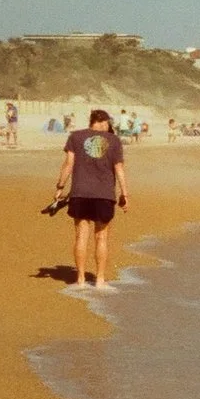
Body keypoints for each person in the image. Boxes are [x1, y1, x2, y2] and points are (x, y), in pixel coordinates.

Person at [54, 108, 129, 289]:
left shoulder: (76, 137)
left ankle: (80, 279)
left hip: (80, 192)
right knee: (101, 237)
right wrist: (125, 194)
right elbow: (119, 168)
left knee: (81, 236)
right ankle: (100, 280)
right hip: (104, 195)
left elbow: (68, 164)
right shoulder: (114, 140)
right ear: (104, 122)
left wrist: (60, 187)